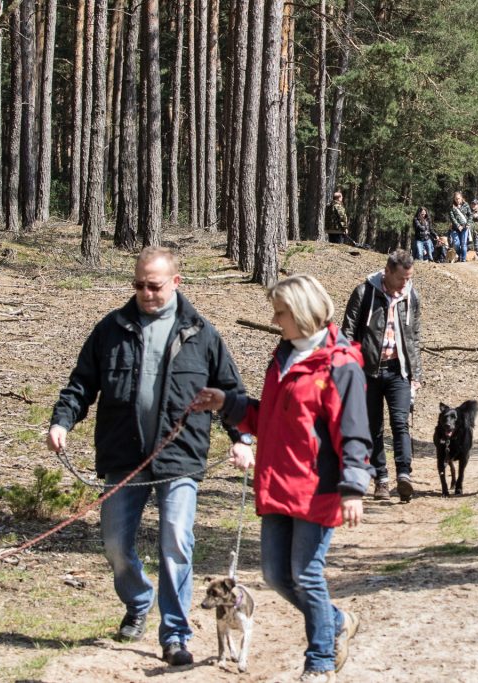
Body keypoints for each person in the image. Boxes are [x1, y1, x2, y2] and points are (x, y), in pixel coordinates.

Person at [47, 247, 245, 666]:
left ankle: (175, 634)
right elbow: (81, 384)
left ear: (176, 282)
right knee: (116, 544)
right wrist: (62, 421)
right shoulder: (111, 329)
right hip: (123, 457)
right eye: (138, 285)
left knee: (176, 541)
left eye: (153, 285)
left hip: (181, 459)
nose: (145, 293)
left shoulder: (202, 333)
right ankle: (138, 600)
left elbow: (231, 393)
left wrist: (241, 439)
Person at [191, 275, 373, 683]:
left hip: (317, 488)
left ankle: (320, 660)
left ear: (303, 312)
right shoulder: (283, 355)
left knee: (307, 575)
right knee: (275, 574)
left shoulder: (339, 363)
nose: (274, 320)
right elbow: (270, 418)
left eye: (280, 312)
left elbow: (355, 429)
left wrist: (353, 486)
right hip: (277, 484)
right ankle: (338, 620)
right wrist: (229, 404)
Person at [341, 250, 423, 502]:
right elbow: (348, 332)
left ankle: (404, 476)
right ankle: (382, 480)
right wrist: (348, 369)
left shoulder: (411, 297)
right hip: (367, 372)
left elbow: (414, 338)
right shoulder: (364, 292)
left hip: (399, 370)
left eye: (408, 278)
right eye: (401, 278)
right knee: (374, 427)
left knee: (400, 423)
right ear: (387, 272)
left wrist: (416, 374)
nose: (404, 284)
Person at [448, 191, 472, 263]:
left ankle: (463, 259)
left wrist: (468, 223)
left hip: (465, 227)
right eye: (456, 199)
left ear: (461, 198)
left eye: (458, 198)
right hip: (455, 228)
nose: (457, 200)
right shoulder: (452, 207)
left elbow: (470, 215)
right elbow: (452, 218)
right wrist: (458, 225)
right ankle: (458, 256)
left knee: (463, 243)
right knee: (457, 244)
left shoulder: (466, 205)